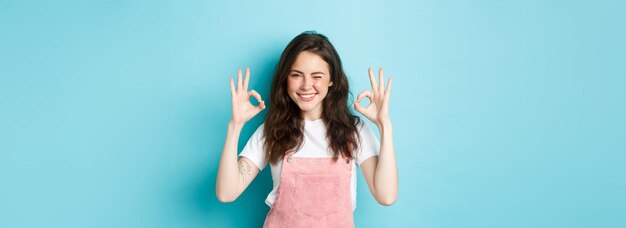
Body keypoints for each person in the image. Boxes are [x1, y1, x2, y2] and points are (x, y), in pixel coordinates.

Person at [216, 31, 398, 228]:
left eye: (317, 76)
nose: (306, 85)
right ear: (285, 78)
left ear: (332, 80)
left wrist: (384, 126)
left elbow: (386, 195)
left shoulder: (354, 131)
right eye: (296, 75)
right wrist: (235, 126)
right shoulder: (272, 130)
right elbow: (227, 193)